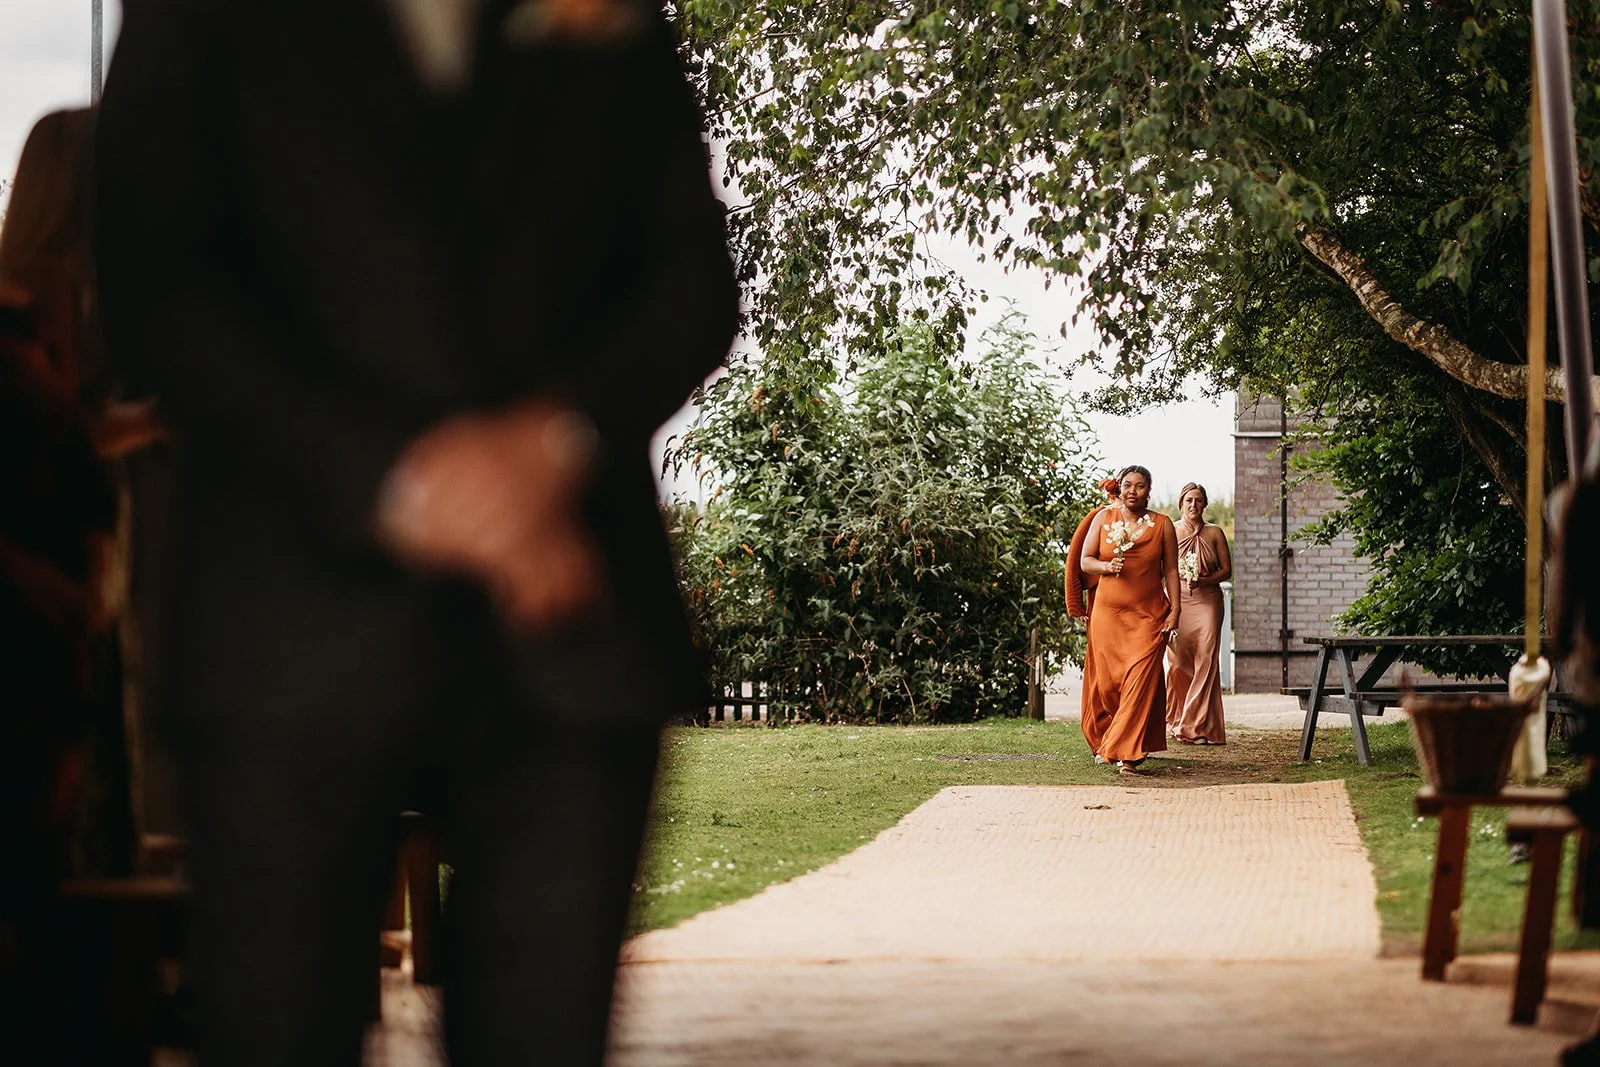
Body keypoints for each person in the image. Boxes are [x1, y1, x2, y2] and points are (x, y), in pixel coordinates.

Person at [94, 1, 739, 1064]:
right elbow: (159, 283)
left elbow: (691, 279)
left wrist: (550, 444)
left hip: (569, 637)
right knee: (274, 1029)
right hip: (289, 632)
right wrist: (400, 480)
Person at [1078, 465, 1180, 774]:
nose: (1132, 491)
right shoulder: (1103, 519)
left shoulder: (1162, 525)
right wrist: (1107, 568)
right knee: (1109, 685)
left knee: (1140, 680)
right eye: (1127, 485)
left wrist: (1176, 609)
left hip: (1148, 617)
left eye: (1139, 486)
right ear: (1120, 488)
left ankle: (1128, 754)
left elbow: (1172, 570)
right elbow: (1085, 561)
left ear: (1149, 490)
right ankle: (1119, 738)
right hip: (1107, 617)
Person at [1166, 482, 1231, 745]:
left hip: (1208, 601)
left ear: (1205, 504)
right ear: (1181, 503)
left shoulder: (1214, 533)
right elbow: (1161, 569)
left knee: (1206, 662)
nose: (1194, 505)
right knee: (1179, 665)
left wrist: (1203, 580)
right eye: (1189, 500)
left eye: (1199, 501)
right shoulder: (1169, 530)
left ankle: (1196, 726)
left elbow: (1227, 571)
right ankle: (1176, 718)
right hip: (1177, 601)